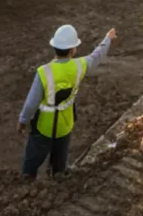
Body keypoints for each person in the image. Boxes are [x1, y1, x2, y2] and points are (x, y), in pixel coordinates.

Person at [17, 24, 116, 179]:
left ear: (54, 47)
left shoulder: (44, 72)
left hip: (43, 127)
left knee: (30, 163)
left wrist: (22, 121)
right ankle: (58, 177)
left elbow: (31, 104)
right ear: (73, 50)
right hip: (65, 125)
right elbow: (97, 56)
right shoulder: (79, 66)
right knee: (60, 163)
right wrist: (108, 39)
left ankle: (26, 182)